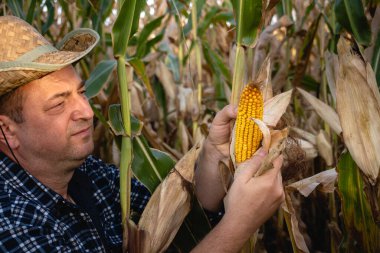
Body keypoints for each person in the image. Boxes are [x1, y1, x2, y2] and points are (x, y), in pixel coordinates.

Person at [0, 16, 284, 252]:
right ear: (7, 131)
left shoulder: (91, 175)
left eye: (82, 92)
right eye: (59, 104)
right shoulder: (11, 223)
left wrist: (214, 154)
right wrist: (238, 226)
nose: (86, 112)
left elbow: (173, 216)